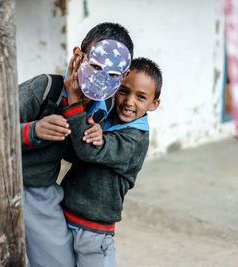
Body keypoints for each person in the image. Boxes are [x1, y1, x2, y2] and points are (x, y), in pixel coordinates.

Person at [18, 22, 134, 267]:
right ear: (78, 56)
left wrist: (92, 136)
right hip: (1, 183)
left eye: (113, 75)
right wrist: (33, 130)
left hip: (41, 191)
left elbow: (74, 155)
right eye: (94, 66)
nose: (101, 78)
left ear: (124, 76)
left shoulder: (104, 109)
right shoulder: (44, 88)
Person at [61, 57, 162, 267]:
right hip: (64, 213)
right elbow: (72, 152)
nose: (129, 102)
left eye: (141, 97)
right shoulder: (102, 115)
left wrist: (73, 103)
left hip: (94, 229)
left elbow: (89, 151)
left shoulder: (135, 138)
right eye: (124, 91)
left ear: (154, 104)